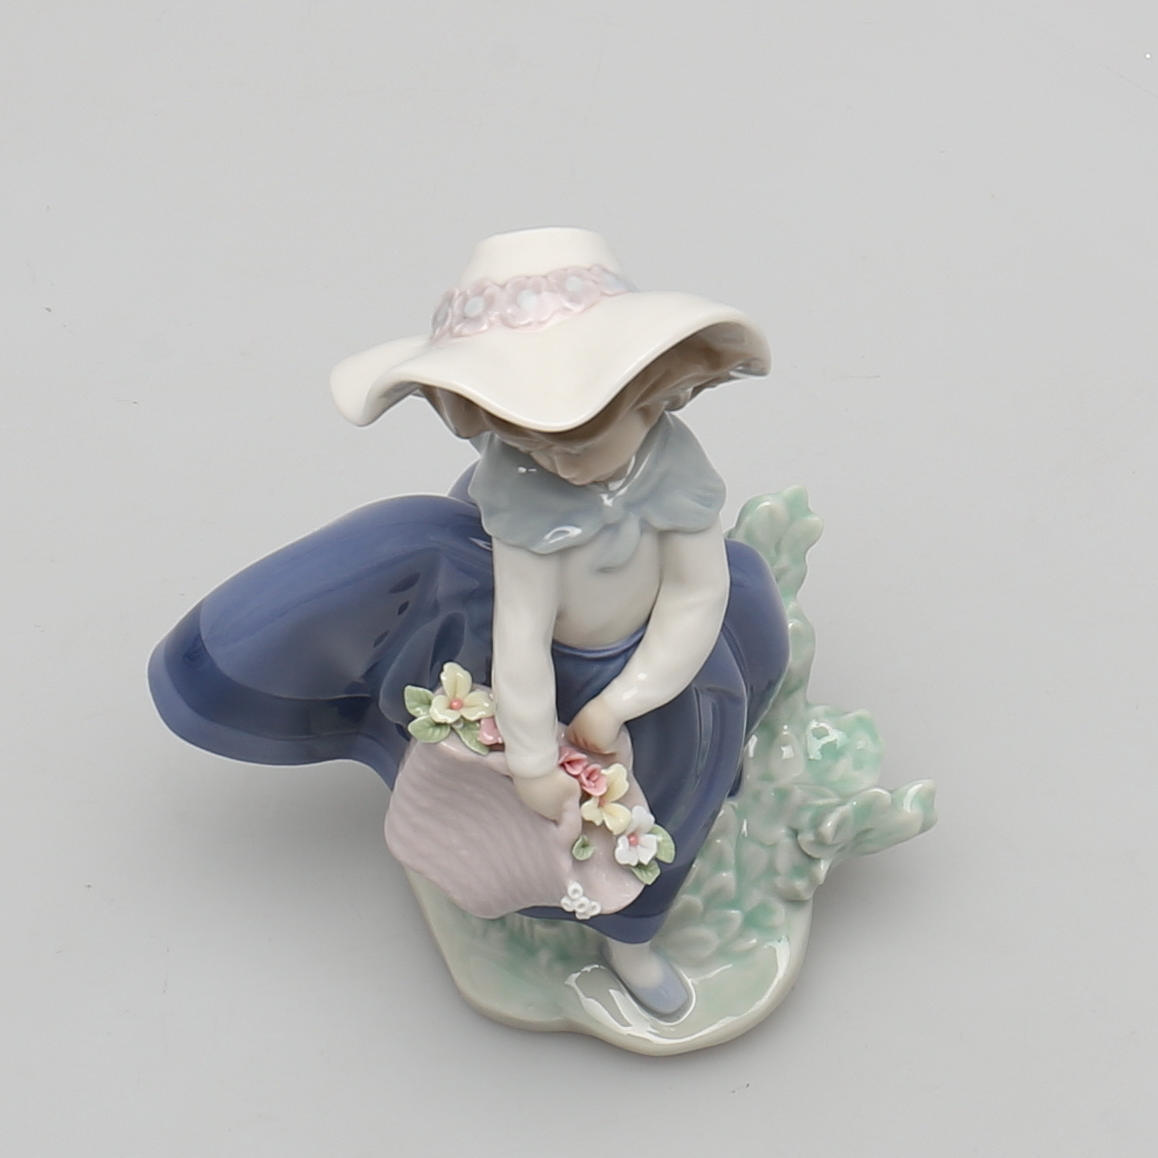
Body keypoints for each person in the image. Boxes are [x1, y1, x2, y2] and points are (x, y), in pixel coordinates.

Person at [149, 227, 790, 1016]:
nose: (555, 461)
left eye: (578, 439)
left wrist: (630, 697)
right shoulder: (524, 492)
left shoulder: (675, 470)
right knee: (571, 827)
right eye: (526, 439)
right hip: (556, 678)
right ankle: (596, 922)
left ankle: (636, 936)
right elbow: (520, 640)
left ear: (650, 396)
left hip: (663, 671)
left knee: (682, 791)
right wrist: (535, 760)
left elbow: (696, 595)